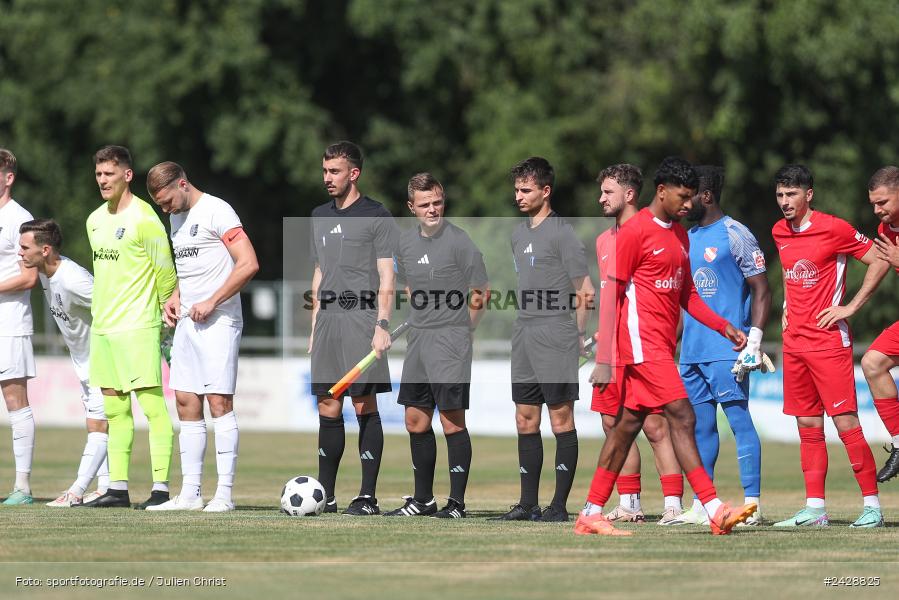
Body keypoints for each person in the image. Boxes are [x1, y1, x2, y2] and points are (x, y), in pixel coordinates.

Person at [575, 157, 753, 537]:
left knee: (624, 429)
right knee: (683, 417)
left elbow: (688, 294)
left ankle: (591, 511)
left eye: (692, 197)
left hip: (660, 346)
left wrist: (724, 326)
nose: (689, 204)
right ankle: (715, 509)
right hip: (641, 347)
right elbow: (611, 297)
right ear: (661, 191)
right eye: (682, 197)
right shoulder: (634, 232)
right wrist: (605, 360)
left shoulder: (680, 236)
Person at [771, 164, 886, 528]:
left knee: (845, 422)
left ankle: (873, 507)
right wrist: (786, 306)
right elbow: (790, 273)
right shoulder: (778, 231)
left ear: (809, 195)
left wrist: (850, 307)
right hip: (794, 344)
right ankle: (815, 509)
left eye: (792, 194)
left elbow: (880, 257)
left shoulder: (834, 228)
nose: (785, 201)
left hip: (828, 343)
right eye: (780, 195)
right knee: (807, 424)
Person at [145, 162, 259, 512]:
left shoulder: (217, 210)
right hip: (188, 323)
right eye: (160, 205)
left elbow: (248, 263)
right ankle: (190, 494)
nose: (166, 210)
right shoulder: (175, 218)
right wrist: (177, 295)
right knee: (184, 401)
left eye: (167, 201)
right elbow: (191, 269)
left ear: (183, 184)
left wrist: (212, 300)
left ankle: (224, 494)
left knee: (218, 402)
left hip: (220, 321)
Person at [491, 157, 594, 523]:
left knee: (560, 418)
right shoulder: (518, 234)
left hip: (556, 332)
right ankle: (527, 504)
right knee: (525, 418)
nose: (518, 196)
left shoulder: (563, 233)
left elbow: (585, 290)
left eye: (526, 190)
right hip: (524, 331)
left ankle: (559, 506)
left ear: (545, 191)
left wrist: (578, 334)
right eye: (516, 190)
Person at [80, 145, 178, 509]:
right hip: (103, 329)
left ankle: (160, 490)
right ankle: (117, 489)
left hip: (138, 326)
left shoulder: (145, 217)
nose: (102, 180)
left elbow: (165, 272)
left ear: (127, 175)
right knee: (115, 412)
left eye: (109, 173)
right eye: (98, 174)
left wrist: (166, 314)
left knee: (153, 409)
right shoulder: (93, 220)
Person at [386, 173, 487, 519]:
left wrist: (465, 329)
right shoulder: (404, 244)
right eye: (425, 204)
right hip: (418, 340)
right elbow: (407, 285)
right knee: (415, 420)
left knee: (451, 421)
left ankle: (456, 504)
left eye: (438, 202)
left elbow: (481, 291)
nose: (432, 209)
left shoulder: (460, 241)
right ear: (411, 207)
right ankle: (423, 500)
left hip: (450, 340)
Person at [673, 166, 771, 526]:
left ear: (707, 196)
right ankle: (703, 505)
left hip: (727, 350)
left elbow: (762, 289)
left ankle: (752, 505)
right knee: (699, 427)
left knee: (739, 421)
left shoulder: (736, 233)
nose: (685, 203)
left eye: (690, 196)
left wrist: (754, 340)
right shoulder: (685, 237)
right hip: (692, 351)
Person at [591, 164, 685, 525]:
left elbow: (674, 298)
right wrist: (604, 337)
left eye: (608, 192)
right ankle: (629, 502)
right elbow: (612, 298)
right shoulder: (603, 241)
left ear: (629, 194)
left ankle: (673, 504)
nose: (601, 199)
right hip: (612, 352)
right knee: (613, 425)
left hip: (646, 349)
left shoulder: (651, 232)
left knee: (656, 427)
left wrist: (667, 339)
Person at [309, 141, 398, 516]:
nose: (327, 178)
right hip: (327, 322)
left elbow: (387, 275)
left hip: (362, 320)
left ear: (354, 173)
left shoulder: (377, 215)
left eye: (335, 171)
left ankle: (366, 497)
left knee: (364, 404)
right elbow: (319, 272)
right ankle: (325, 496)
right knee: (328, 404)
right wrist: (314, 325)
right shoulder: (318, 215)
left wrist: (382, 324)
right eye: (325, 170)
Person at [18, 219, 110, 506]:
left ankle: (76, 492)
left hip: (104, 360)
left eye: (25, 247)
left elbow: (111, 307)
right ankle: (105, 488)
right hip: (85, 360)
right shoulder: (47, 273)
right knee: (97, 424)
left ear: (45, 250)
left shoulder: (73, 279)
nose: (20, 252)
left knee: (98, 425)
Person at [0, 148, 38, 506]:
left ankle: (22, 487)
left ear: (8, 178)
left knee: (15, 401)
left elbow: (29, 278)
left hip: (9, 322)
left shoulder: (20, 219)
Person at [860, 166, 899, 483]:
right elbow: (880, 266)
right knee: (872, 362)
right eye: (873, 203)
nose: (877, 209)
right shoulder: (886, 230)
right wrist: (851, 306)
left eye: (883, 202)